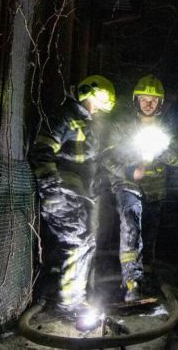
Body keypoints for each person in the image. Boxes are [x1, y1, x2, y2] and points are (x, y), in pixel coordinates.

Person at [29, 74, 116, 314]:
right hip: (62, 194)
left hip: (75, 197)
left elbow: (90, 160)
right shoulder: (66, 117)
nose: (97, 111)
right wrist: (52, 191)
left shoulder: (84, 124)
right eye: (96, 105)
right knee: (78, 242)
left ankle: (60, 296)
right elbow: (41, 150)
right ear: (91, 96)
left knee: (82, 242)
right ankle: (69, 303)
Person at [102, 75, 178, 301]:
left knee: (149, 235)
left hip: (154, 190)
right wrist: (128, 172)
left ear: (160, 103)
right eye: (144, 99)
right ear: (136, 100)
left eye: (153, 100)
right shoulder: (123, 126)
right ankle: (132, 282)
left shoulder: (166, 129)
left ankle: (146, 278)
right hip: (127, 185)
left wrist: (162, 149)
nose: (148, 104)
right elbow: (107, 157)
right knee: (131, 226)